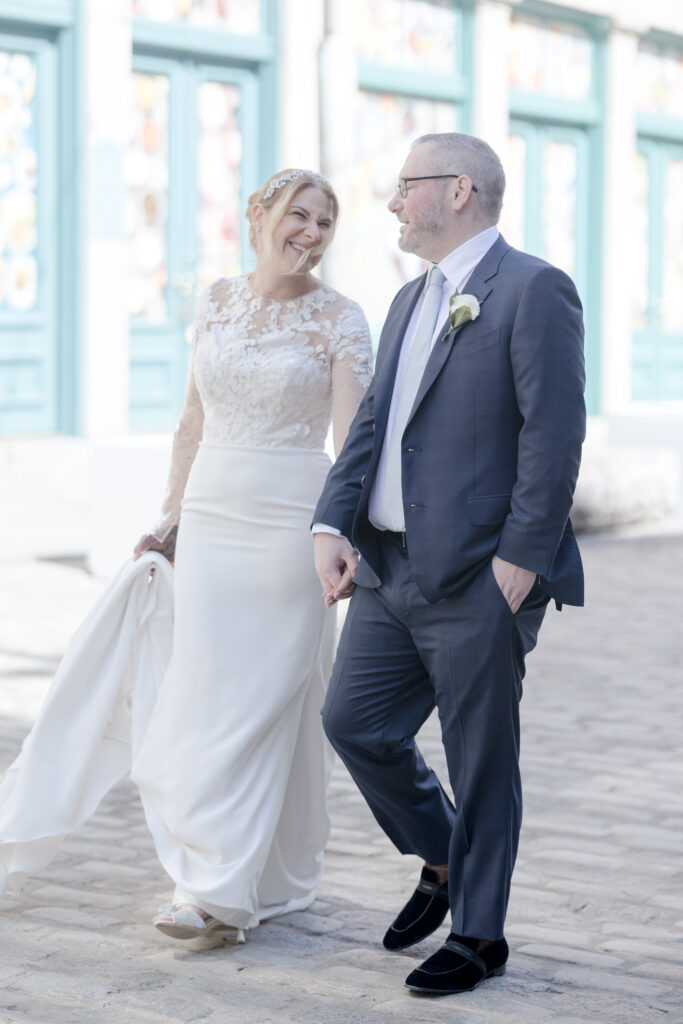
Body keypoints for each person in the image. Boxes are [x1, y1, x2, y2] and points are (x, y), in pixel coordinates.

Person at [0, 169, 372, 945]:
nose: (309, 232)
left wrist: (337, 532)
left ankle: (210, 888)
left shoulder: (340, 318)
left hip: (290, 523)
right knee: (203, 691)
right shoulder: (215, 299)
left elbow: (353, 444)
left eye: (324, 222)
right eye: (297, 215)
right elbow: (190, 422)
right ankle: (245, 871)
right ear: (256, 215)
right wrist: (170, 519)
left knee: (259, 698)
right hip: (210, 515)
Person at [312, 133, 585, 995]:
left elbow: (554, 434)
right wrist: (332, 522)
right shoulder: (406, 300)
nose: (392, 202)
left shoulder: (534, 289)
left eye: (404, 187)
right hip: (389, 571)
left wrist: (519, 559)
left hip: (479, 574)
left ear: (457, 190)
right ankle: (441, 853)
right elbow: (371, 429)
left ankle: (478, 934)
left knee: (480, 758)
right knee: (353, 722)